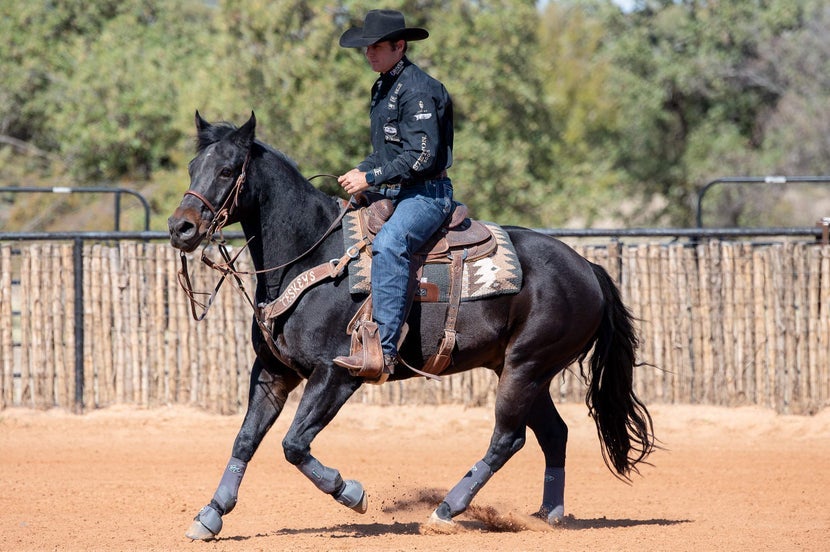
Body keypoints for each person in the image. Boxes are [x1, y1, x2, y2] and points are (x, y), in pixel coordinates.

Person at [333, 9, 455, 379]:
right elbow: (389, 151)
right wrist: (362, 169)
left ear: (399, 47)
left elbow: (422, 155)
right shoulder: (384, 84)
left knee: (389, 243)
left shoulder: (416, 89)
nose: (369, 54)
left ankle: (382, 351)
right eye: (366, 48)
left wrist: (370, 177)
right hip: (398, 190)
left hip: (427, 194)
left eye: (376, 47)